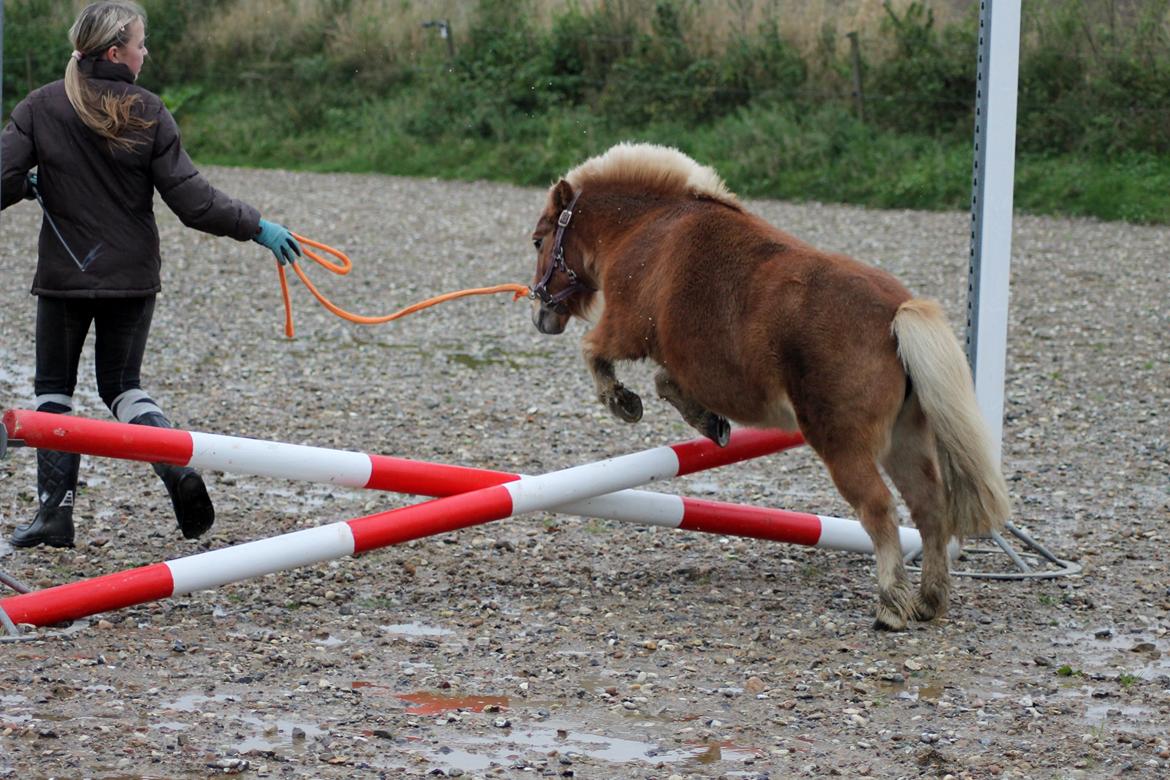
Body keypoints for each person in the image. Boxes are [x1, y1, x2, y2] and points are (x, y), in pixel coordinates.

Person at [0, 1, 302, 549]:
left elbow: (1, 181)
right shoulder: (149, 108)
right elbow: (194, 202)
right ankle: (175, 468)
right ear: (116, 52)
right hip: (133, 280)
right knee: (122, 389)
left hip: (65, 280)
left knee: (53, 394)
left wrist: (27, 183)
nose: (146, 52)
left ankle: (55, 514)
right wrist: (257, 226)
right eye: (142, 43)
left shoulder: (40, 106)